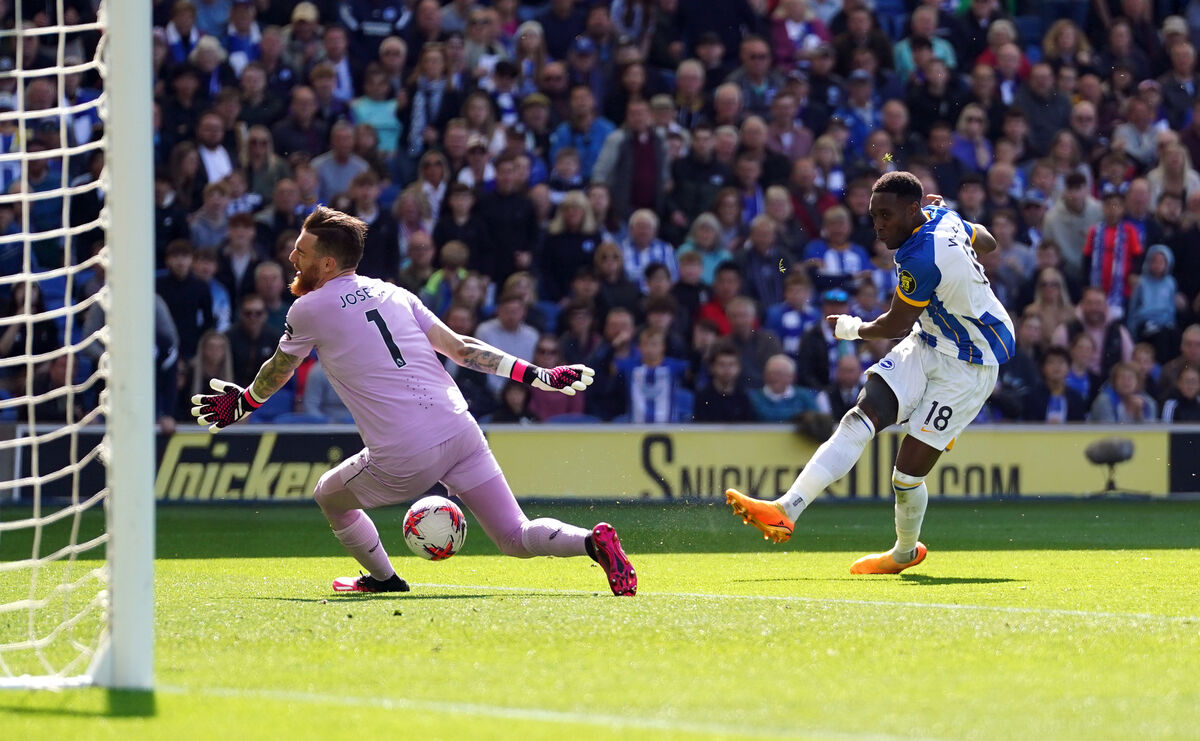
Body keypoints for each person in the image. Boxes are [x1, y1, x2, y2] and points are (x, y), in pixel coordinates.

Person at [190, 206, 636, 597]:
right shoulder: (394, 293)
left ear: (326, 263)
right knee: (514, 536)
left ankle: (383, 579)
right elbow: (462, 349)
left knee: (328, 495)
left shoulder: (307, 310)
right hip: (460, 429)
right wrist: (536, 374)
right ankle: (592, 543)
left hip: (405, 453)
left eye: (301, 253)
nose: (292, 258)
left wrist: (245, 401)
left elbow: (280, 368)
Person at [726, 171, 1014, 575]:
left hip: (970, 362)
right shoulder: (938, 217)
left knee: (905, 477)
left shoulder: (921, 256)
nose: (878, 225)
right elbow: (989, 240)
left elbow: (894, 324)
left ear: (912, 210)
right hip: (930, 339)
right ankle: (784, 510)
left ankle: (903, 553)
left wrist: (852, 328)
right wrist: (953, 222)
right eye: (874, 215)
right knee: (859, 418)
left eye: (887, 216)